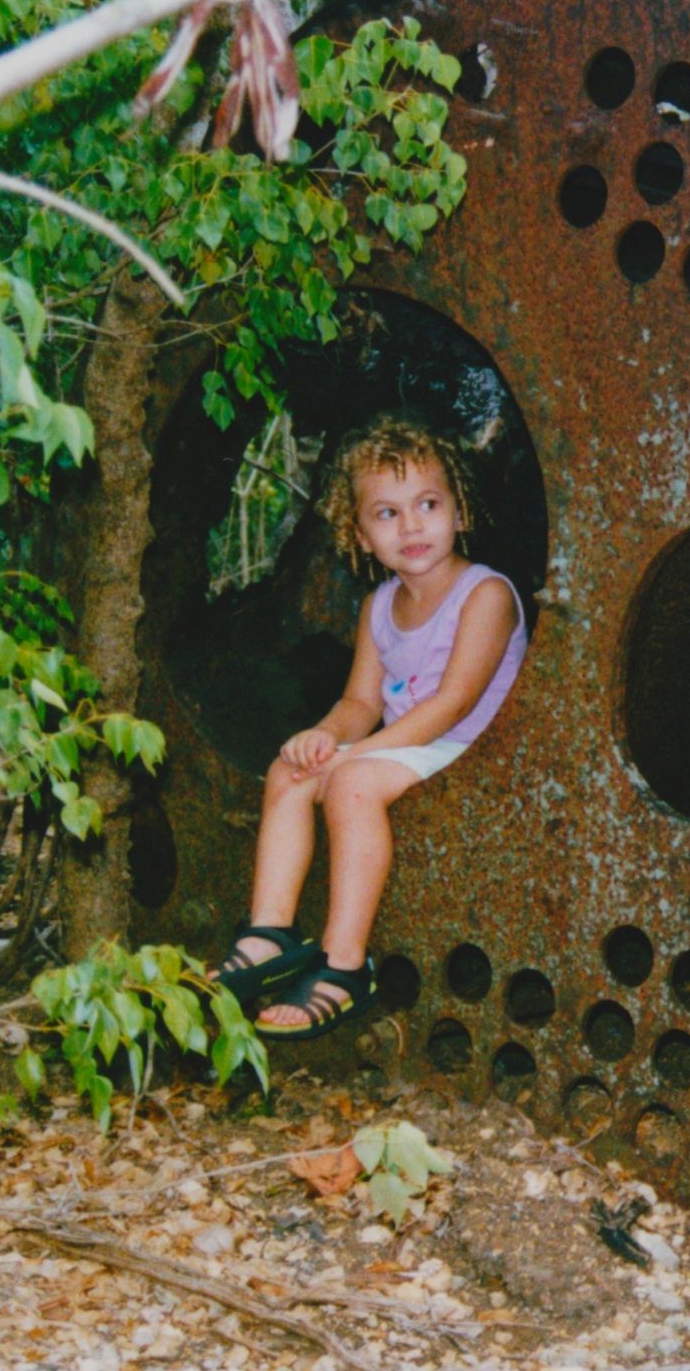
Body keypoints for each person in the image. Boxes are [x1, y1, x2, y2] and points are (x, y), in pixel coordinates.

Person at [209, 416, 528, 1040]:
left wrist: (354, 760)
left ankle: (344, 967)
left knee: (351, 783)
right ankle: (270, 933)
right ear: (358, 534)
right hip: (411, 746)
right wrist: (325, 738)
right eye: (386, 513)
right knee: (290, 770)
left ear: (460, 512)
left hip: (467, 743)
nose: (411, 526)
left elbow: (453, 703)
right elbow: (360, 701)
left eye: (428, 505)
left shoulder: (485, 594)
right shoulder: (379, 606)